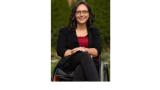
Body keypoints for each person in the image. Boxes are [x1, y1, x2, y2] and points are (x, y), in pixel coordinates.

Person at [56, 1, 101, 81]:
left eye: (84, 12)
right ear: (74, 14)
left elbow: (97, 51)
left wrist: (84, 50)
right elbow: (60, 51)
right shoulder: (64, 31)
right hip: (70, 64)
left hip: (91, 65)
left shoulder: (94, 31)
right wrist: (74, 51)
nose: (81, 15)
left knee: (81, 67)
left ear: (89, 14)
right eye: (78, 12)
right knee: (83, 55)